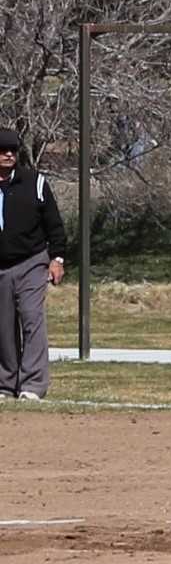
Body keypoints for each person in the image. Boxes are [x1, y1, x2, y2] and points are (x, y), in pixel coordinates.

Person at [0, 128, 66, 401]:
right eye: (3, 150)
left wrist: (57, 259)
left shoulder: (34, 183)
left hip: (31, 262)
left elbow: (54, 224)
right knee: (3, 327)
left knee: (31, 318)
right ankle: (5, 384)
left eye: (13, 150)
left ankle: (33, 385)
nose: (8, 154)